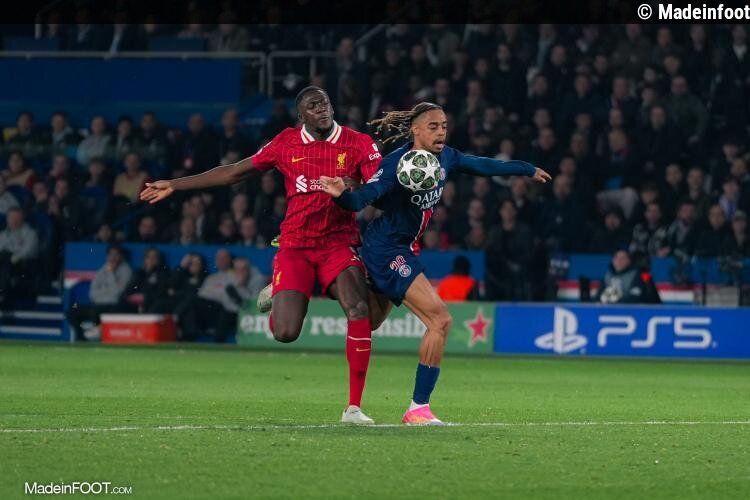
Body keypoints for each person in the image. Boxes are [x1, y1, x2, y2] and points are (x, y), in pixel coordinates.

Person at [140, 86, 383, 425]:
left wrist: (355, 187)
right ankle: (281, 292)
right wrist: (176, 184)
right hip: (295, 246)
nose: (322, 109)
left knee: (358, 309)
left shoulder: (358, 143)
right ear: (301, 115)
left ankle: (353, 408)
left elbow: (379, 189)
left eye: (325, 103)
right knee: (285, 332)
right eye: (313, 106)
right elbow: (234, 172)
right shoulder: (285, 143)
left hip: (338, 244)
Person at [319, 102, 551, 425]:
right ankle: (418, 409)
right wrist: (342, 195)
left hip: (401, 248)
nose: (441, 132)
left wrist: (525, 169)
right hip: (387, 249)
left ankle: (314, 281)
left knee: (369, 321)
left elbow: (482, 165)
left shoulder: (446, 157)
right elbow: (363, 199)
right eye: (433, 126)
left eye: (443, 126)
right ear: (415, 130)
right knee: (440, 320)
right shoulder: (396, 163)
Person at [67, 245, 132, 341]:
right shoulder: (102, 270)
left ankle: (99, 338)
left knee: (97, 311)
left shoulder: (126, 271)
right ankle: (81, 338)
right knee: (73, 311)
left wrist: (111, 273)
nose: (113, 257)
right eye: (110, 254)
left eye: (116, 254)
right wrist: (107, 292)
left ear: (121, 256)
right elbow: (92, 293)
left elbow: (117, 294)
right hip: (98, 304)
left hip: (113, 306)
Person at [0, 208, 39, 303]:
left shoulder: (30, 233)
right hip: (5, 262)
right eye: (11, 218)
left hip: (23, 264)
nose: (13, 220)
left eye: (16, 218)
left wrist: (14, 257)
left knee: (5, 257)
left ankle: (2, 293)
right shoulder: (3, 234)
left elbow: (28, 251)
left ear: (22, 219)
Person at [594, 250, 661, 304]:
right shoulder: (608, 275)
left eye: (623, 258)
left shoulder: (639, 275)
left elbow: (637, 299)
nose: (619, 261)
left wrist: (615, 302)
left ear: (629, 261)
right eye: (616, 258)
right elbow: (598, 297)